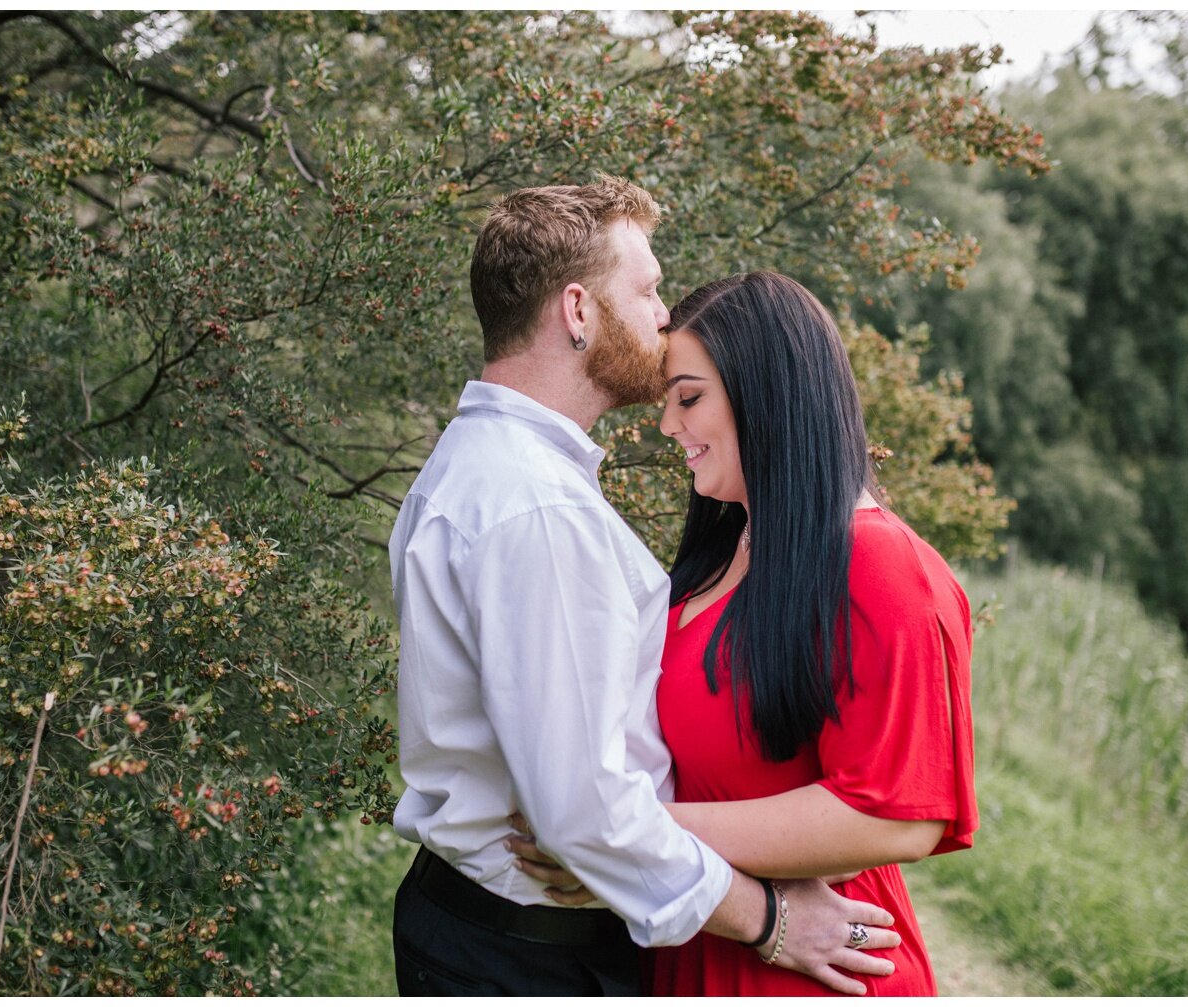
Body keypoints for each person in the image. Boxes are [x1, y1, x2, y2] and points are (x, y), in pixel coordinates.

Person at [389, 182, 899, 996]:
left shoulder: (479, 465)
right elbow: (582, 813)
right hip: (530, 957)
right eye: (648, 289)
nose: (664, 317)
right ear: (578, 310)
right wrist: (770, 919)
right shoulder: (539, 509)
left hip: (489, 932)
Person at [512, 270, 978, 995]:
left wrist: (625, 839)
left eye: (688, 398)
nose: (669, 426)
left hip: (817, 970)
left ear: (767, 395)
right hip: (702, 945)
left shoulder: (883, 566)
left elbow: (893, 817)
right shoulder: (723, 554)